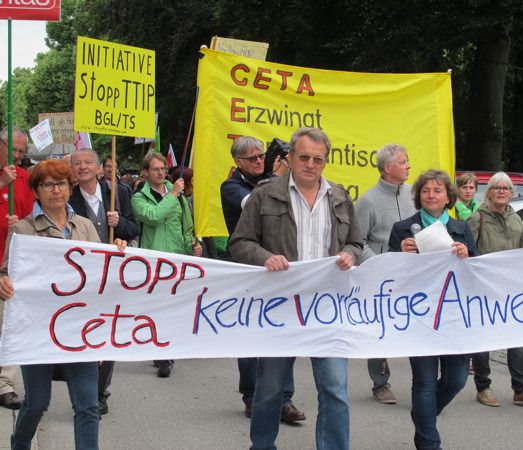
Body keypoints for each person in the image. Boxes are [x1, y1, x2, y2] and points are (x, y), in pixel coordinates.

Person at [229, 127, 362, 450]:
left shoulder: (341, 198)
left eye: (318, 159)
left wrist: (350, 255)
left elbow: (357, 243)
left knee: (334, 390)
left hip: (327, 307)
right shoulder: (264, 195)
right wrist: (265, 257)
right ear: (289, 158)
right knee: (270, 389)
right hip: (280, 307)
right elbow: (239, 243)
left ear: (325, 161)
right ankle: (262, 445)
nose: (310, 164)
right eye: (303, 157)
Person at [0, 159, 127, 450]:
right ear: (37, 190)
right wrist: (3, 281)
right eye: (47, 184)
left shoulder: (84, 227)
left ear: (69, 188)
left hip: (79, 330)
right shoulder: (22, 229)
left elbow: (102, 270)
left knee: (87, 405)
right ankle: (19, 443)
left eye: (61, 184)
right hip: (38, 331)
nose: (55, 190)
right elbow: (7, 271)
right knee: (36, 403)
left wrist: (119, 249)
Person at [388, 169, 476, 450]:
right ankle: (429, 442)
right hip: (419, 314)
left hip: (454, 315)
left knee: (457, 379)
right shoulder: (402, 229)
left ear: (448, 196)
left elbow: (477, 271)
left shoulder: (462, 229)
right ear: (418, 196)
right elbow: (387, 273)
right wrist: (399, 253)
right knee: (424, 381)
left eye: (437, 190)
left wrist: (467, 255)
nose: (431, 195)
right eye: (426, 190)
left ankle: (422, 417)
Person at [220, 136, 304, 423]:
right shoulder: (232, 186)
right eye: (253, 158)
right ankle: (252, 396)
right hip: (249, 267)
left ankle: (284, 399)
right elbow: (254, 202)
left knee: (285, 331)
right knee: (250, 334)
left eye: (261, 156)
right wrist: (278, 177)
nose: (259, 161)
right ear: (237, 162)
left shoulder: (274, 179)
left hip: (280, 266)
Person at [466, 172, 523, 408]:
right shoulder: (476, 219)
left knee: (516, 337)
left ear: (511, 193)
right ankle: (483, 387)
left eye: (507, 188)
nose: (502, 191)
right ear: (489, 191)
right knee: (484, 340)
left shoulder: (515, 220)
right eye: (497, 187)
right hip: (484, 290)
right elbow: (469, 255)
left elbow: (522, 251)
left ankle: (520, 389)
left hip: (511, 289)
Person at [69, 148, 139, 415]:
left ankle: (99, 393)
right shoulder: (68, 197)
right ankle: (82, 391)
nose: (83, 167)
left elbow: (134, 230)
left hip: (113, 276)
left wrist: (119, 222)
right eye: (78, 163)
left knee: (108, 333)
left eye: (88, 162)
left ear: (100, 169)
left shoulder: (119, 194)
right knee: (82, 332)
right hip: (81, 278)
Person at [355, 143, 416, 404]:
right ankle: (380, 384)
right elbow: (357, 241)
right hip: (380, 276)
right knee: (379, 328)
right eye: (403, 162)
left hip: (412, 273)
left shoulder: (413, 195)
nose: (408, 166)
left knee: (415, 324)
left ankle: (423, 383)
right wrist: (378, 264)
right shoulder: (368, 200)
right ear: (388, 167)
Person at [132, 152, 202, 378]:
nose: (161, 173)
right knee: (156, 307)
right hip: (153, 260)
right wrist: (172, 194)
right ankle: (160, 353)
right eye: (155, 169)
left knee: (173, 307)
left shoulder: (178, 195)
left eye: (163, 169)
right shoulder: (139, 197)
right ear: (146, 172)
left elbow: (185, 227)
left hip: (177, 259)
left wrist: (192, 245)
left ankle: (167, 349)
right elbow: (153, 216)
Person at [0, 128, 35, 410]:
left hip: (9, 267)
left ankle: (5, 385)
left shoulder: (26, 179)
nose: (17, 156)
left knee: (7, 327)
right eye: (13, 150)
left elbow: (33, 217)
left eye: (22, 151)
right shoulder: (6, 178)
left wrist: (19, 226)